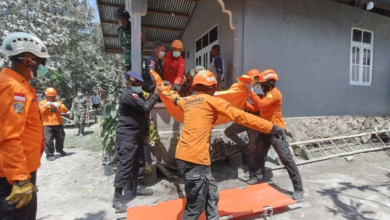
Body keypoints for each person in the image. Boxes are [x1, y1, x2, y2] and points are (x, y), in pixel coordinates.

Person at [174, 70, 286, 220]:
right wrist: (272, 128)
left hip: (186, 157)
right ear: (212, 87)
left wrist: (170, 94)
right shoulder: (213, 101)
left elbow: (177, 101)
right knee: (196, 207)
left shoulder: (187, 102)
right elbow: (242, 117)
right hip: (196, 161)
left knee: (212, 195)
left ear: (196, 87)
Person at [0, 32, 49, 220]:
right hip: (12, 176)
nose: (42, 68)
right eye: (41, 63)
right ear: (29, 61)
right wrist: (20, 178)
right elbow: (8, 136)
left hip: (19, 170)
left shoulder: (21, 86)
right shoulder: (13, 88)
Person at [244, 69, 304, 202]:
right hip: (265, 128)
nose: (260, 86)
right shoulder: (267, 95)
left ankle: (299, 189)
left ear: (270, 84)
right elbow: (256, 108)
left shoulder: (275, 94)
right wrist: (241, 103)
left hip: (276, 131)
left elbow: (259, 104)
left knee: (286, 159)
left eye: (262, 84)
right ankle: (259, 176)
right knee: (259, 154)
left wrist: (251, 91)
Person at [112, 71, 162, 213]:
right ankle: (117, 197)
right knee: (125, 164)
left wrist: (145, 133)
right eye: (134, 84)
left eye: (139, 85)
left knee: (139, 161)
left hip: (137, 135)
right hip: (127, 136)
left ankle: (137, 187)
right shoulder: (129, 95)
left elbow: (143, 115)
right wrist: (156, 93)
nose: (137, 87)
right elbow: (146, 107)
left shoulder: (138, 94)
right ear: (128, 84)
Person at [224, 69, 264, 174]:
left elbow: (256, 108)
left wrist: (242, 103)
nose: (248, 82)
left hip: (255, 122)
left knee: (253, 148)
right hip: (245, 119)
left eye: (251, 80)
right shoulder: (245, 89)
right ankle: (243, 146)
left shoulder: (259, 90)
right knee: (228, 132)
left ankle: (253, 170)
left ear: (256, 79)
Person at [39, 88, 68, 161]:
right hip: (47, 124)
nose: (52, 98)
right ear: (46, 96)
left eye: (53, 96)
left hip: (58, 123)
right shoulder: (42, 103)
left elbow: (65, 110)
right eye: (50, 96)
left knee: (60, 138)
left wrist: (59, 106)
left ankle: (60, 150)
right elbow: (39, 112)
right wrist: (45, 106)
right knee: (48, 140)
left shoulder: (58, 102)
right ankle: (49, 154)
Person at [114, 8, 145, 72]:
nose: (121, 21)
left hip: (136, 58)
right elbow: (122, 44)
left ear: (127, 19)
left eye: (122, 19)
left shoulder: (135, 28)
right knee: (128, 77)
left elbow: (142, 42)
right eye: (119, 19)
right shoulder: (119, 31)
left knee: (137, 77)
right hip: (127, 58)